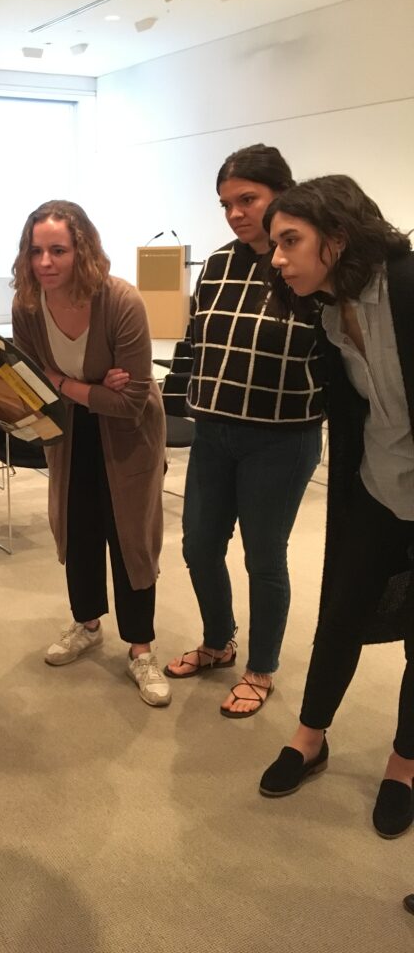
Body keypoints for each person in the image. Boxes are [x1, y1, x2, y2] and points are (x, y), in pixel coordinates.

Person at [258, 175, 414, 840]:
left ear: (338, 237)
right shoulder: (324, 309)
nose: (277, 258)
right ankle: (309, 736)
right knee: (341, 611)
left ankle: (404, 765)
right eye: (274, 244)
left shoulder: (406, 285)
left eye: (290, 241)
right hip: (375, 487)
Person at [163, 144, 324, 717]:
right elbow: (192, 341)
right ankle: (218, 640)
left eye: (247, 199)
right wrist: (170, 408)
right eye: (226, 203)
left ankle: (262, 668)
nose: (235, 213)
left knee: (264, 555)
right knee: (200, 544)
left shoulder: (307, 267)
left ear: (282, 193)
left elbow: (336, 357)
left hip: (281, 437)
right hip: (215, 432)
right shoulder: (219, 263)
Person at [11, 199, 170, 706]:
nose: (45, 263)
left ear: (83, 250)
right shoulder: (28, 307)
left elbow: (129, 402)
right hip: (71, 436)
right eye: (36, 251)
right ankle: (87, 624)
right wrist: (91, 386)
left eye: (58, 250)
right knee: (77, 530)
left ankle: (141, 649)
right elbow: (31, 385)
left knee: (131, 540)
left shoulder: (121, 301)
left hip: (129, 439)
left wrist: (64, 382)